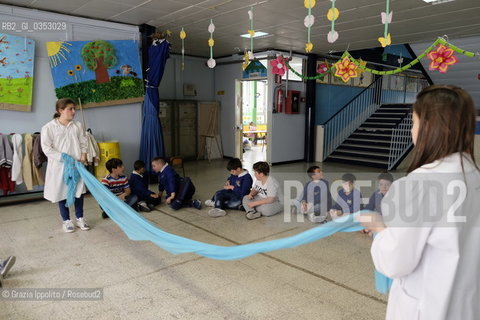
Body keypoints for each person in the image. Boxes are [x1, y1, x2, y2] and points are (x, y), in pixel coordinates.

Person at [360, 85, 480, 319]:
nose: (411, 132)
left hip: (426, 308)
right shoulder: (475, 177)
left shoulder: (417, 184)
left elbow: (395, 262)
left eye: (413, 124)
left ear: (429, 127)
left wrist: (378, 227)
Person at [41, 98, 90, 233]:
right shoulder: (49, 128)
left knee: (79, 192)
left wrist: (83, 155)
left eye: (74, 108)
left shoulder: (77, 125)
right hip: (59, 167)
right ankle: (66, 221)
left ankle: (80, 218)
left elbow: (83, 141)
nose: (74, 112)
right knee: (62, 192)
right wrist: (63, 158)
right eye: (70, 109)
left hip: (77, 165)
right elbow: (46, 148)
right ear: (60, 110)